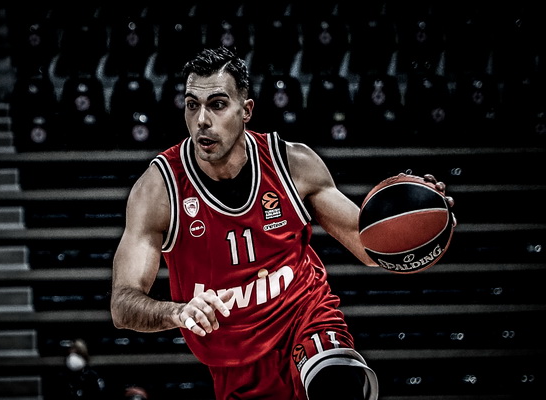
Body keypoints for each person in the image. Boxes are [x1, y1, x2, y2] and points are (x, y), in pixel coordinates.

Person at [110, 46, 454, 400]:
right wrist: (178, 311)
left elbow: (369, 246)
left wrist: (420, 222)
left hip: (305, 321)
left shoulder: (293, 164)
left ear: (246, 110)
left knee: (338, 384)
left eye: (217, 104)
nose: (201, 120)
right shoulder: (159, 189)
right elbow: (122, 305)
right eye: (191, 105)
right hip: (235, 362)